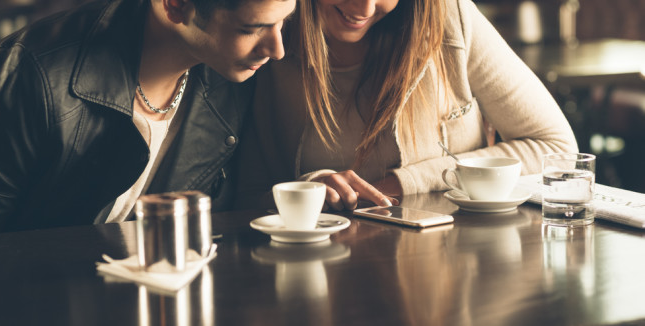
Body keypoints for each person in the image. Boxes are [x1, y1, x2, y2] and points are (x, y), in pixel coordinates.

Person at [0, 0, 295, 233]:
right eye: (252, 29)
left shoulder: (231, 77)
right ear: (175, 4)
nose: (276, 49)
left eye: (282, 23)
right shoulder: (26, 76)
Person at [235, 0, 578, 211]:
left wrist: (403, 183)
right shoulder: (266, 41)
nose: (365, 8)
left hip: (453, 271)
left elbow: (557, 149)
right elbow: (244, 197)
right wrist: (313, 189)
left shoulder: (450, 15)